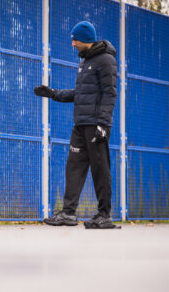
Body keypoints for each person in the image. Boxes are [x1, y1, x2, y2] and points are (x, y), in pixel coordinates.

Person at [34, 21, 118, 229]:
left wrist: (103, 123)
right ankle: (68, 214)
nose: (72, 44)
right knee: (73, 167)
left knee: (100, 169)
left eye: (75, 39)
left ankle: (104, 215)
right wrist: (53, 94)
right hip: (80, 124)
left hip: (96, 125)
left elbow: (110, 93)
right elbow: (80, 94)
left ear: (86, 40)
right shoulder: (84, 62)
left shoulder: (106, 60)